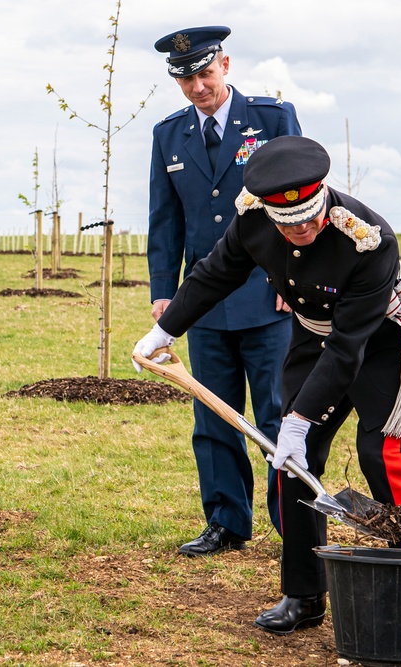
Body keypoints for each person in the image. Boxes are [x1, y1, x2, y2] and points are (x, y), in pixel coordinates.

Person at [133, 135, 401, 638]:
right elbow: (213, 276)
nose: (302, 230)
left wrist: (298, 418)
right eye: (289, 223)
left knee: (381, 457)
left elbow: (348, 349)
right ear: (268, 212)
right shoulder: (252, 222)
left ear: (323, 198)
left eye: (310, 218)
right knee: (292, 460)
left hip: (385, 345)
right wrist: (163, 330)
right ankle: (304, 594)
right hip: (314, 337)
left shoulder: (368, 238)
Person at [147, 25, 301, 557]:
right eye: (185, 79)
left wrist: (293, 278)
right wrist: (165, 291)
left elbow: (300, 201)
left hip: (268, 297)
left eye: (205, 74)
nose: (196, 88)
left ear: (226, 65)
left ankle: (294, 524)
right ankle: (226, 522)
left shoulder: (272, 119)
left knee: (280, 414)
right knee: (213, 415)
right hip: (204, 302)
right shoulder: (168, 136)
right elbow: (164, 220)